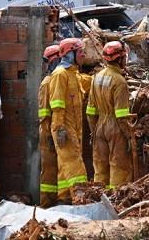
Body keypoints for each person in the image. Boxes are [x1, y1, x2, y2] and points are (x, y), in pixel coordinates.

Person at [86, 41, 132, 189]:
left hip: (99, 126)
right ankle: (116, 198)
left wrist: (94, 131)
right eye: (124, 57)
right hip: (115, 128)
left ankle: (99, 196)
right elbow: (122, 116)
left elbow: (90, 111)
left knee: (100, 167)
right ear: (120, 59)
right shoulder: (119, 81)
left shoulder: (96, 78)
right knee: (119, 167)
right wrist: (129, 136)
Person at [49, 38, 89, 204]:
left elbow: (88, 82)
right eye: (80, 52)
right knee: (75, 166)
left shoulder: (74, 74)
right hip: (64, 127)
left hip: (74, 128)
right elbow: (57, 104)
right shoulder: (60, 74)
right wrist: (60, 128)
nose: (83, 55)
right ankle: (82, 200)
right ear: (70, 54)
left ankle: (64, 200)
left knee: (65, 166)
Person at [38, 45, 60, 207]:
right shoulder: (47, 83)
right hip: (47, 133)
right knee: (49, 170)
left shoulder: (56, 80)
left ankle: (56, 203)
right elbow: (44, 114)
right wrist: (48, 135)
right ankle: (46, 204)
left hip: (53, 131)